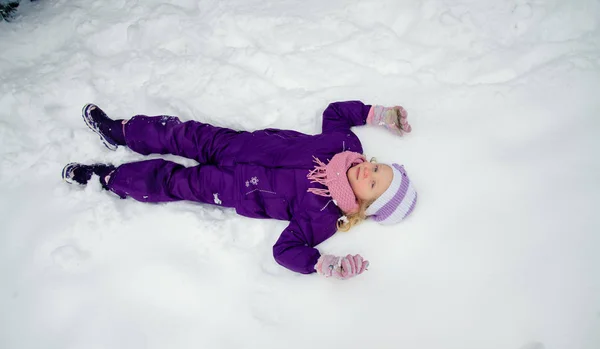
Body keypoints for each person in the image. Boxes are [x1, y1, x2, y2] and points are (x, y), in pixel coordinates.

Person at [62, 101, 417, 280]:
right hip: (237, 146)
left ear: (363, 205)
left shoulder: (323, 216)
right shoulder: (342, 142)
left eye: (372, 182)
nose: (366, 170)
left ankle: (108, 179)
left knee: (171, 181)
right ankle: (121, 132)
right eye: (376, 166)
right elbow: (336, 112)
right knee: (181, 133)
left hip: (230, 189)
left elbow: (285, 250)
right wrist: (377, 114)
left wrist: (323, 264)